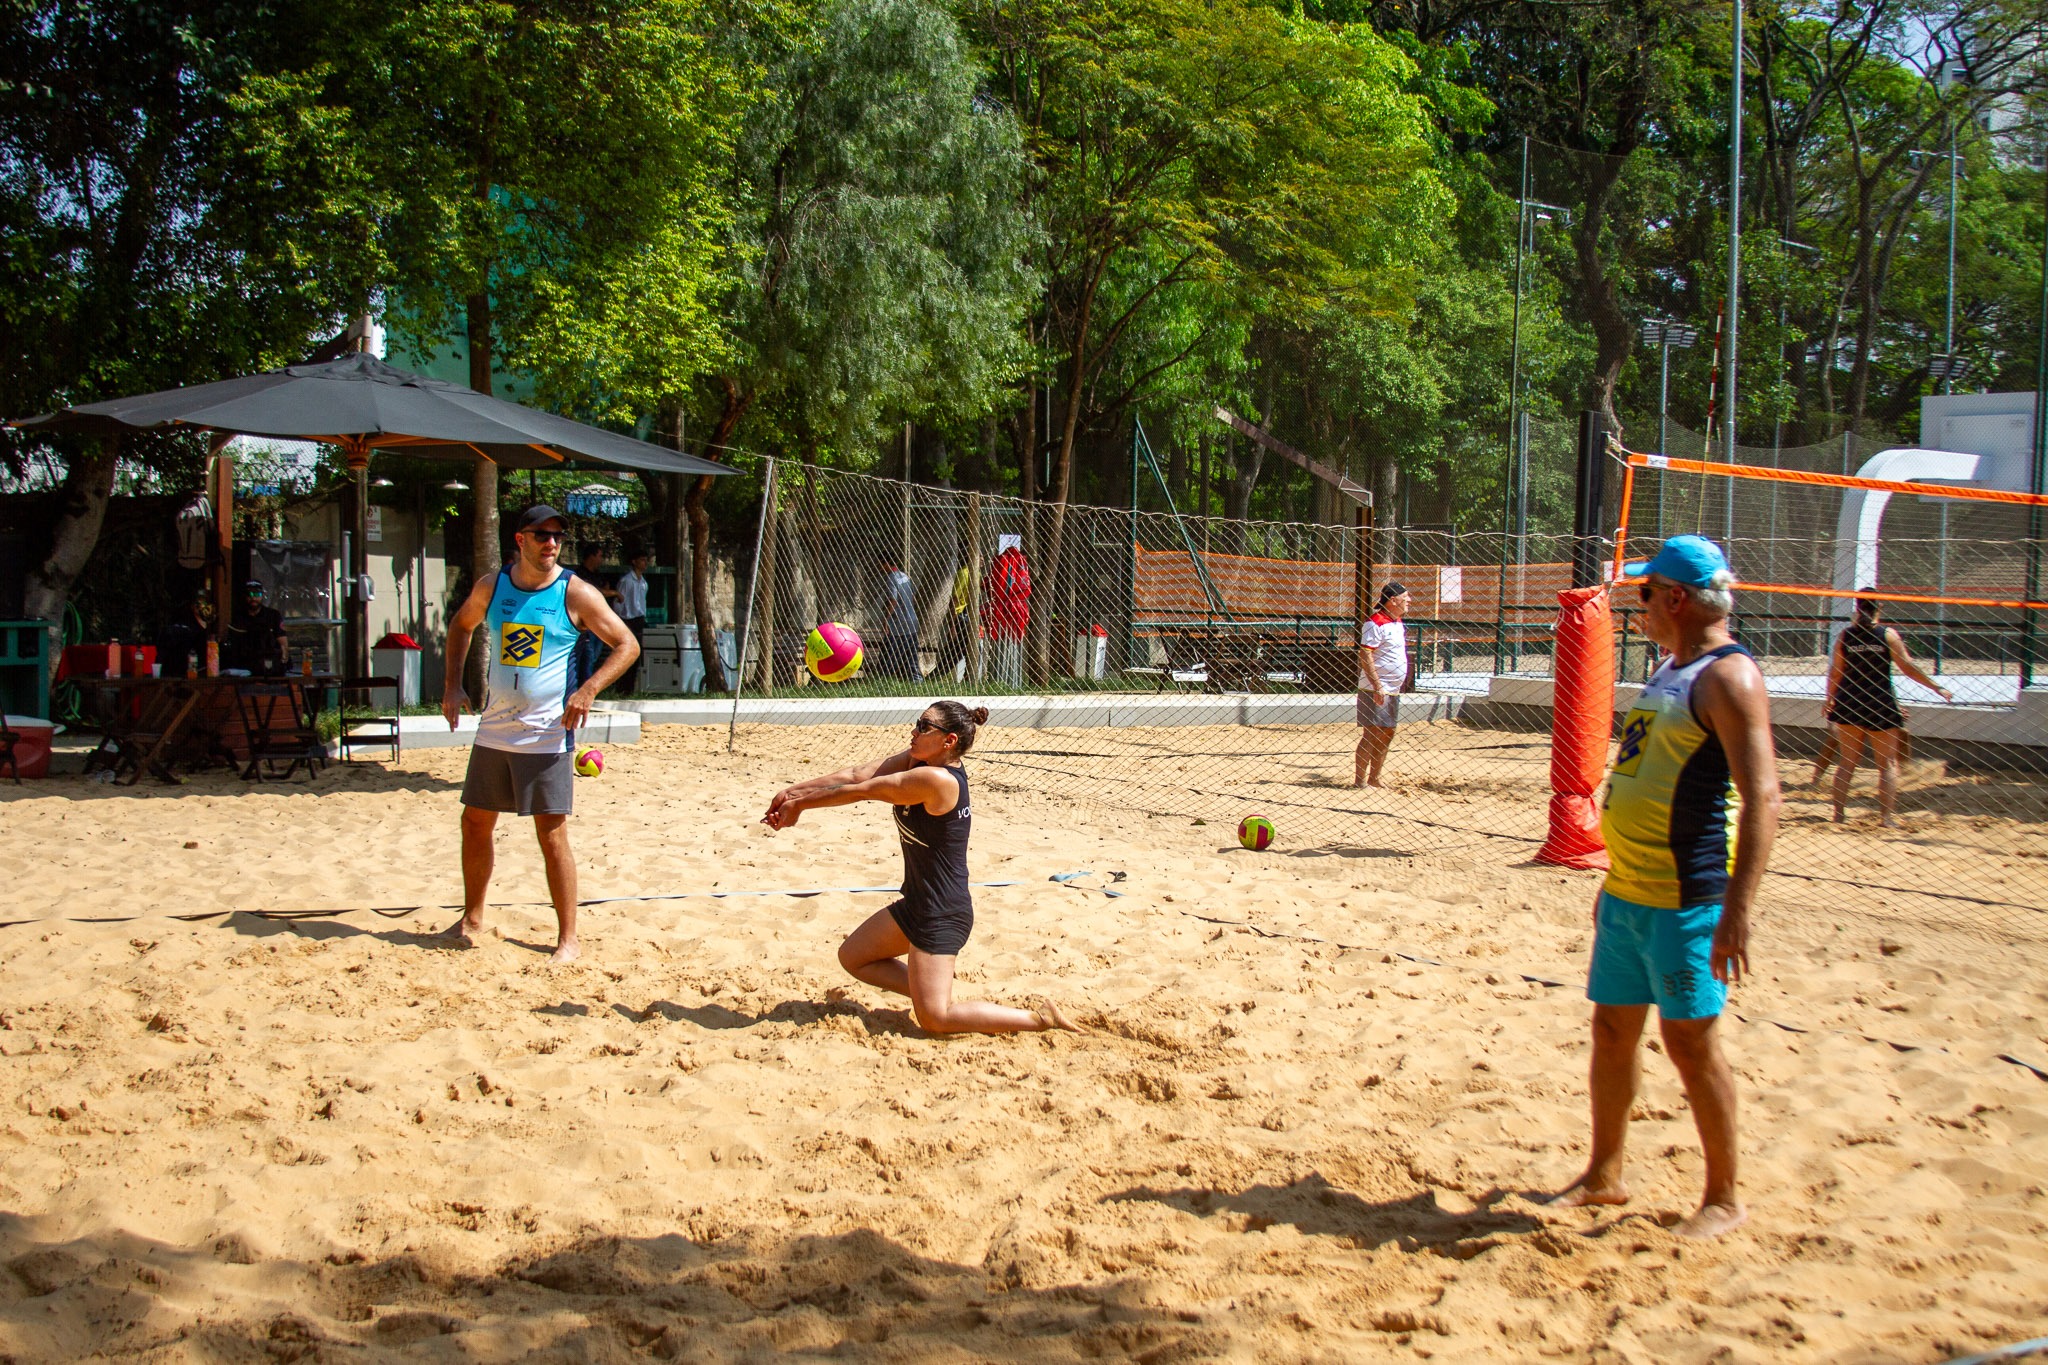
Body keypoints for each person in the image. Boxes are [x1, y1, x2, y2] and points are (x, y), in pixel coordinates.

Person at [1551, 534, 1780, 1240]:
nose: (1639, 605)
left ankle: (1723, 1196)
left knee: (1691, 1043)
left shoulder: (1728, 677)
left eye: (1645, 594)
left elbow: (1765, 796)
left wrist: (1737, 910)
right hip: (1631, 893)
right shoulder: (1672, 669)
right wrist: (1615, 874)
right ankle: (1605, 1174)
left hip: (1690, 899)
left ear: (1674, 598)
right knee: (1612, 1029)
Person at [761, 701, 1081, 1036]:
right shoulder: (920, 760)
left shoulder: (935, 780)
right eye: (917, 723)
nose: (914, 732)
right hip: (917, 903)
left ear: (949, 741)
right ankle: (934, 990)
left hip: (942, 912)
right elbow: (857, 774)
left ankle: (1039, 1018)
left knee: (935, 1020)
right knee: (853, 957)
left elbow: (863, 791)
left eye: (924, 727)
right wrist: (790, 792)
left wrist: (800, 807)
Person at [440, 506, 640, 964]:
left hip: (548, 734)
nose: (551, 543)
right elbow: (460, 626)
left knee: (551, 835)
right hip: (495, 729)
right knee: (474, 823)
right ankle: (472, 919)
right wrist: (452, 683)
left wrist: (589, 689)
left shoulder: (576, 592)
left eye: (557, 536)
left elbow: (627, 644)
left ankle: (568, 938)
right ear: (520, 539)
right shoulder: (493, 586)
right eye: (542, 534)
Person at [1818, 597, 1952, 828]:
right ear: (1880, 608)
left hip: (1850, 701)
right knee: (1887, 764)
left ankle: (1839, 815)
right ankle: (1886, 818)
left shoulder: (1846, 636)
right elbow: (1908, 666)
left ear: (1857, 609)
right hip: (1880, 702)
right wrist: (1936, 687)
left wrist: (1829, 698)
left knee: (1847, 762)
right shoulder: (1887, 634)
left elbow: (1836, 672)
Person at [1354, 582, 1411, 788]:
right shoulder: (1375, 622)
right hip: (1375, 687)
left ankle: (1375, 778)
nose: (1409, 601)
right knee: (1372, 732)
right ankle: (1359, 780)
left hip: (1392, 688)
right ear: (1393, 600)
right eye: (1405, 598)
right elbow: (1365, 652)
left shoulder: (1397, 623)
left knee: (1388, 732)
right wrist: (1377, 685)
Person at [984, 536, 1030, 687]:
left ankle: (1001, 682)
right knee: (1006, 645)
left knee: (1006, 645)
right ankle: (1008, 683)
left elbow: (992, 584)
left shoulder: (1003, 562)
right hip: (1010, 610)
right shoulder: (1017, 562)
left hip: (1008, 609)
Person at [572, 545, 620, 688]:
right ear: (591, 556)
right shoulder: (579, 575)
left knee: (594, 656)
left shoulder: (598, 575)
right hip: (584, 625)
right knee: (587, 656)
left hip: (599, 623)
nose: (602, 560)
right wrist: (614, 593)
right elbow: (597, 592)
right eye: (600, 556)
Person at [223, 580, 289, 674]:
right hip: (244, 665)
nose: (253, 597)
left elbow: (283, 643)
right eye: (249, 594)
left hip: (267, 665)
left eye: (257, 594)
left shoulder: (273, 615)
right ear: (245, 596)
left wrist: (282, 660)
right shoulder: (238, 617)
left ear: (262, 595)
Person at [875, 556, 923, 681]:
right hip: (912, 620)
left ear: (886, 563)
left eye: (880, 564)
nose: (879, 567)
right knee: (911, 654)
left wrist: (886, 619)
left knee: (889, 654)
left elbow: (893, 599)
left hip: (898, 623)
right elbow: (912, 596)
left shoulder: (891, 578)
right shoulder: (904, 576)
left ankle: (882, 679)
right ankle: (917, 679)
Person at [614, 550, 651, 693]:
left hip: (639, 620)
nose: (645, 563)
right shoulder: (626, 581)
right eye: (642, 560)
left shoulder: (643, 583)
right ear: (634, 561)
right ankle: (621, 688)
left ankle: (629, 688)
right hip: (627, 620)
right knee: (626, 654)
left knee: (636, 655)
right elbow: (619, 603)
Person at [931, 563, 972, 680]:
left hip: (968, 616)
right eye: (979, 556)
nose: (982, 558)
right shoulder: (964, 574)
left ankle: (937, 675)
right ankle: (937, 675)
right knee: (957, 651)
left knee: (959, 651)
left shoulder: (976, 574)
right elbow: (954, 600)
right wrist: (952, 624)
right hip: (960, 617)